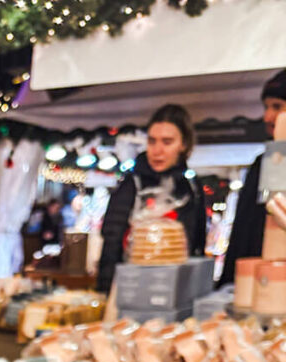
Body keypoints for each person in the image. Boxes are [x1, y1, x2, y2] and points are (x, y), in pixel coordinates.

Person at [96, 104, 206, 293]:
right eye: (152, 141)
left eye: (167, 141)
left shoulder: (192, 188)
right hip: (131, 287)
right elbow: (111, 241)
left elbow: (196, 244)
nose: (157, 150)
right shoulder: (131, 184)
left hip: (175, 288)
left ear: (184, 144)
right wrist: (106, 291)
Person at [219, 69, 286, 285]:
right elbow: (246, 229)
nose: (267, 117)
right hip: (260, 281)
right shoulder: (263, 163)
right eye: (266, 107)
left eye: (277, 107)